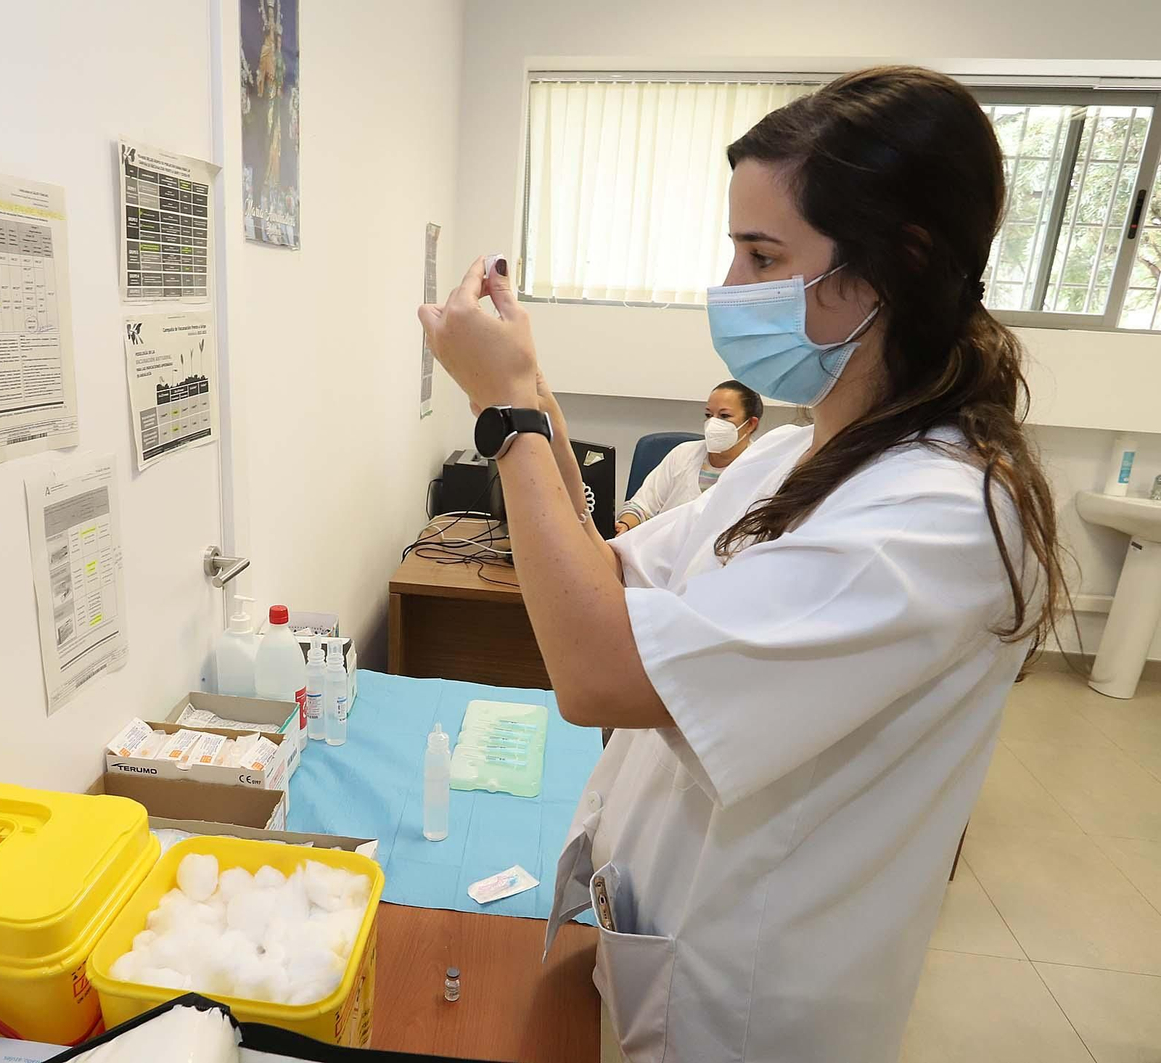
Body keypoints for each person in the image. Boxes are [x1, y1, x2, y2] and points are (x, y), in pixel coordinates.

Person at [418, 67, 1067, 1063]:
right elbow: (604, 577)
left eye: (763, 255)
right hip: (666, 930)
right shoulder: (789, 453)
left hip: (753, 1003)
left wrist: (503, 415)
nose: (731, 286)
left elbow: (597, 672)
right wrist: (532, 386)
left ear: (896, 263)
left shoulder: (943, 517)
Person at [614, 381, 763, 534]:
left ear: (750, 424)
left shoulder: (761, 469)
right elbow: (641, 506)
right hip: (663, 545)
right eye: (708, 415)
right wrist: (625, 524)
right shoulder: (682, 454)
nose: (713, 423)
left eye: (724, 416)